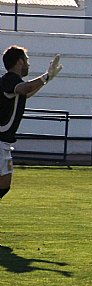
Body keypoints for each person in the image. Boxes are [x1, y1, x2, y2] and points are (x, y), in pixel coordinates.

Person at [0, 46, 62, 203]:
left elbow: (26, 93)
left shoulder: (13, 83)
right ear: (20, 61)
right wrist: (45, 77)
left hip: (4, 143)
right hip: (0, 142)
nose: (29, 64)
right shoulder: (10, 80)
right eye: (27, 60)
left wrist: (47, 80)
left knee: (4, 187)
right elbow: (24, 89)